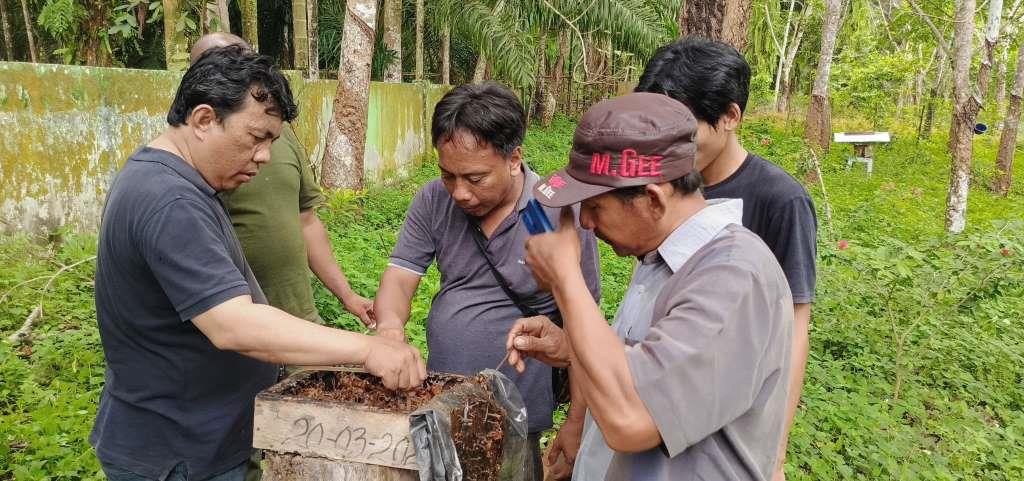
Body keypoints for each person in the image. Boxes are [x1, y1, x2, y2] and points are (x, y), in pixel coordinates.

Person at [91, 45, 425, 481]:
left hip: (198, 441)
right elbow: (233, 324)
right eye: (256, 138)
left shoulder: (178, 182)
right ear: (204, 119)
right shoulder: (170, 199)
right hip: (178, 455)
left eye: (271, 140)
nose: (265, 156)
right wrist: (369, 348)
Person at [506, 92, 793, 481]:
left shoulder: (733, 276)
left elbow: (631, 418)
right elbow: (650, 368)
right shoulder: (660, 259)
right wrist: (573, 348)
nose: (586, 223)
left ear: (652, 200)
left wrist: (565, 279)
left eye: (594, 206)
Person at [371, 82, 601, 480]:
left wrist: (576, 422)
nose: (459, 192)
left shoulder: (551, 212)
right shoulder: (432, 200)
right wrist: (390, 329)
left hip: (518, 415)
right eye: (447, 175)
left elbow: (585, 330)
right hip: (443, 402)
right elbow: (401, 276)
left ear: (514, 159)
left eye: (475, 179)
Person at [633, 36, 817, 481]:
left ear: (730, 116)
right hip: (657, 387)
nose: (666, 145)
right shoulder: (662, 183)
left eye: (683, 130)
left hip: (723, 407)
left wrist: (775, 452)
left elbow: (793, 327)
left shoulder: (779, 199)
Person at [190, 33, 374, 327]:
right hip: (243, 331)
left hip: (300, 320)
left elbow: (307, 221)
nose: (262, 155)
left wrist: (347, 295)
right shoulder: (193, 155)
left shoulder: (281, 134)